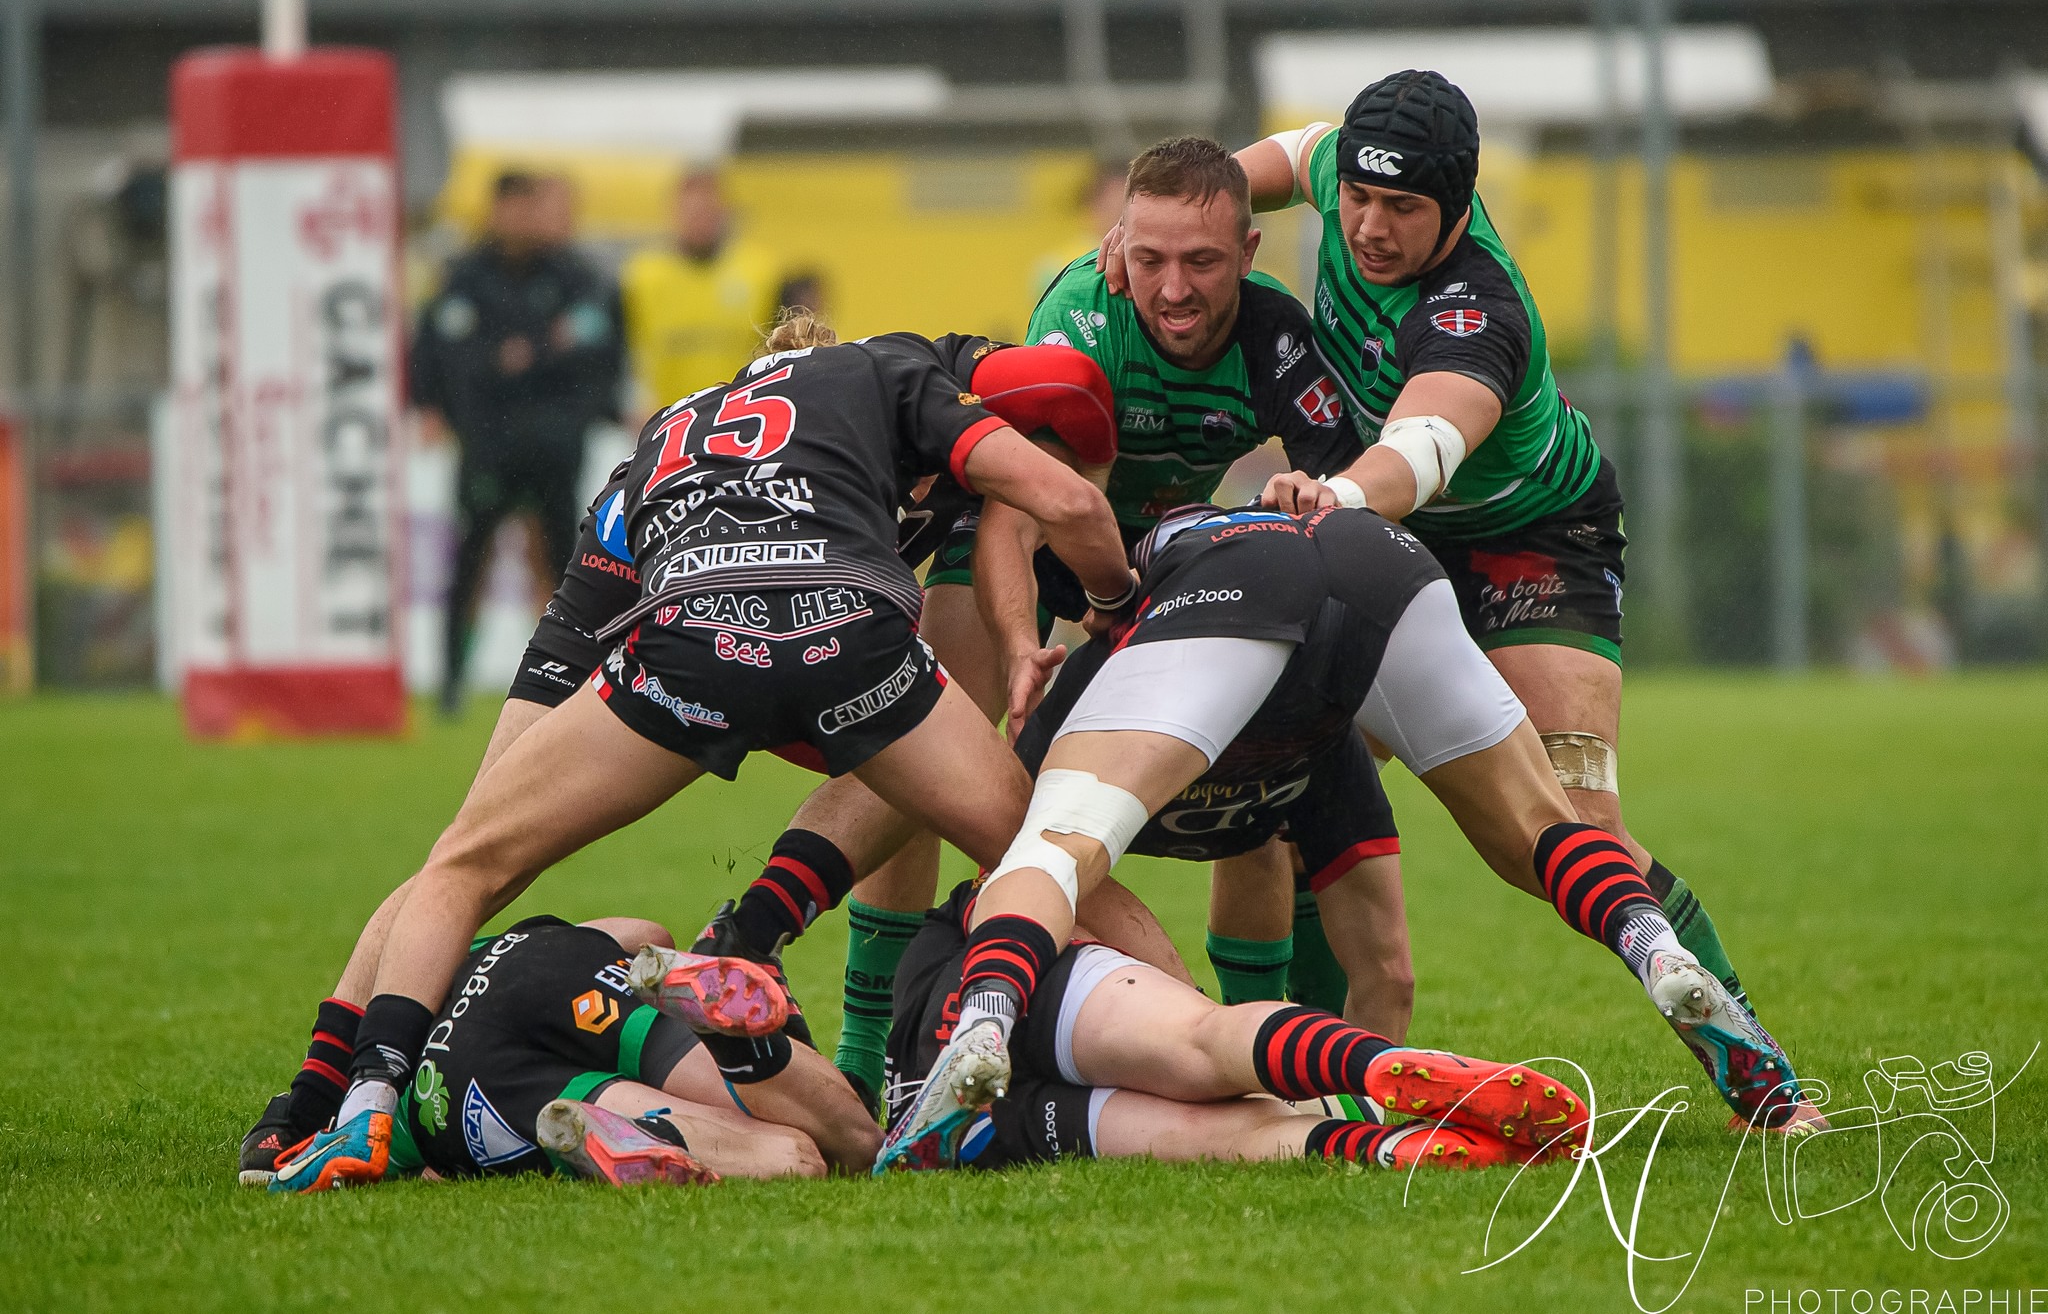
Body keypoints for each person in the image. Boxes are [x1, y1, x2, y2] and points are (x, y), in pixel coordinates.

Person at [266, 317, 1140, 1192]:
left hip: (687, 642)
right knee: (1042, 851)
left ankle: (341, 1104)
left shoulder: (667, 441)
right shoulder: (884, 380)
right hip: (842, 639)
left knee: (469, 854)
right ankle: (1166, 1036)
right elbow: (1058, 399)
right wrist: (1109, 597)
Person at [1093, 71, 1802, 1130]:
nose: (1370, 229)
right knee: (1280, 793)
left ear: (1458, 207)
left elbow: (1420, 449)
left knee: (1565, 829)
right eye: (1360, 205)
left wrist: (1330, 496)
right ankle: (1297, 1092)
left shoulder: (1478, 307)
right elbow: (1284, 158)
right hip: (1385, 540)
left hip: (1528, 547)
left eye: (1403, 212)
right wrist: (1161, 224)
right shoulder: (1350, 164)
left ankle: (1759, 1079)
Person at [879, 500, 1810, 1168]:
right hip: (1379, 559)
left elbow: (1050, 884)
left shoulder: (1105, 671)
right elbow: (1385, 959)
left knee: (1054, 845)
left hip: (1240, 584)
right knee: (1541, 829)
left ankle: (984, 1024)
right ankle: (1654, 948)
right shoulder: (1310, 726)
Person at [824, 136, 1383, 1099]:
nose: (1172, 287)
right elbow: (1020, 509)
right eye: (1151, 257)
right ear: (1119, 244)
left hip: (1167, 566)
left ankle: (1275, 1051)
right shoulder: (1083, 310)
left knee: (1264, 766)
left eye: (1202, 262)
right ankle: (860, 1060)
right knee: (923, 750)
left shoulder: (1279, 338)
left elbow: (1344, 498)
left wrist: (1314, 491)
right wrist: (1017, 645)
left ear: (1249, 255)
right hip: (1028, 541)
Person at [881, 877, 1585, 1173]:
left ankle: (1382, 1148)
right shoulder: (995, 892)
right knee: (1200, 1043)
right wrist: (1174, 989)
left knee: (1206, 1137)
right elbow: (1044, 898)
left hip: (963, 1131)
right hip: (993, 986)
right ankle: (1370, 1068)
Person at [258, 913, 877, 1190]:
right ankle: (726, 1040)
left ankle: (650, 1134)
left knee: (790, 1156)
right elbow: (642, 933)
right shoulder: (433, 949)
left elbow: (421, 1169)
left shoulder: (370, 1117)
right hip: (537, 962)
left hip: (459, 1087)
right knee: (843, 1143)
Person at [412, 169, 623, 717]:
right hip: (486, 444)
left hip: (552, 446)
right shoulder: (465, 276)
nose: (526, 220)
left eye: (534, 208)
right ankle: (452, 686)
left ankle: (569, 682)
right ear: (498, 210)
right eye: (517, 207)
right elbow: (439, 349)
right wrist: (436, 401)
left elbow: (595, 349)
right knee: (470, 562)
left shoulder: (574, 277)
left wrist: (527, 359)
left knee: (562, 569)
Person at [619, 167, 785, 418]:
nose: (699, 222)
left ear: (724, 212)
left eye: (707, 212)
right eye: (690, 213)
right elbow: (624, 351)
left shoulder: (761, 272)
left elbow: (783, 349)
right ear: (674, 214)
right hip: (668, 420)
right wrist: (631, 404)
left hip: (741, 416)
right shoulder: (643, 276)